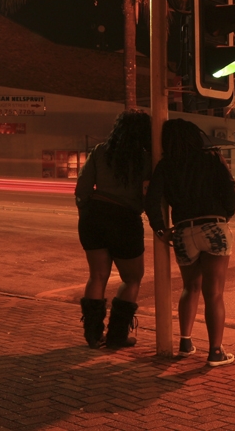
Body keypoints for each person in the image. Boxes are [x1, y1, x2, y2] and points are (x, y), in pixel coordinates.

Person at [145, 119, 235, 367]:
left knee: (190, 287)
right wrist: (225, 215)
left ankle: (185, 343)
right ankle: (215, 351)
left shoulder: (166, 165)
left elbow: (152, 200)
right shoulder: (212, 158)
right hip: (213, 226)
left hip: (184, 231)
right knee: (214, 293)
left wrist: (160, 229)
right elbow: (229, 189)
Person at [74, 110, 151, 349]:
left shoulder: (100, 151)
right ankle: (117, 336)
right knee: (132, 278)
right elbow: (149, 195)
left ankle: (93, 335)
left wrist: (87, 213)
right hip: (125, 219)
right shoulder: (146, 158)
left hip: (94, 216)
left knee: (97, 276)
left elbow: (82, 189)